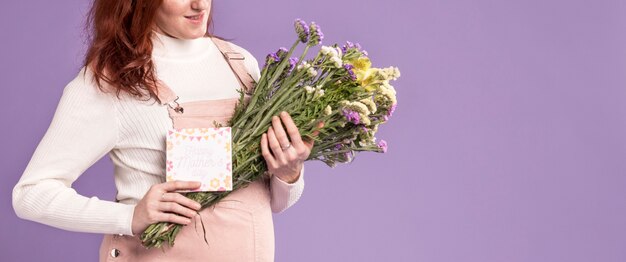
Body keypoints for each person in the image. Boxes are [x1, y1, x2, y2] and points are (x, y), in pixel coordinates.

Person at [12, 0, 313, 261]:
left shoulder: (239, 63)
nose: (199, 5)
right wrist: (129, 218)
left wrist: (288, 174)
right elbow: (30, 194)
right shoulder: (113, 81)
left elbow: (268, 202)